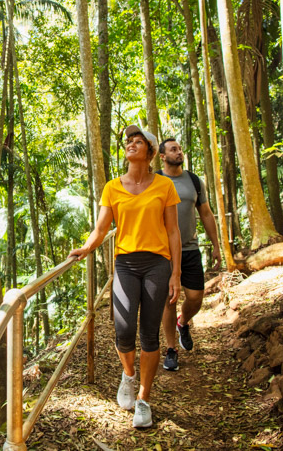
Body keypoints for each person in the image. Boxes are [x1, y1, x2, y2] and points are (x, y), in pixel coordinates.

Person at [68, 125, 182, 429]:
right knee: (123, 330)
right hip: (125, 264)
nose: (131, 144)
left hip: (158, 263)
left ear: (150, 152)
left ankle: (144, 399)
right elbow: (101, 229)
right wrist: (86, 248)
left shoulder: (164, 186)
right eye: (129, 141)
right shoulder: (112, 187)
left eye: (138, 141)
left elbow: (173, 231)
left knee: (149, 333)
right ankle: (128, 376)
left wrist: (176, 274)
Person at [157, 138, 222, 372]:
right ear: (162, 156)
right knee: (169, 299)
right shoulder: (155, 180)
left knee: (195, 298)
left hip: (190, 249)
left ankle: (183, 322)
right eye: (173, 149)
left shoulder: (194, 181)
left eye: (180, 148)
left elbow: (205, 213)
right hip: (163, 252)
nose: (179, 152)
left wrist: (216, 245)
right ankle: (171, 350)